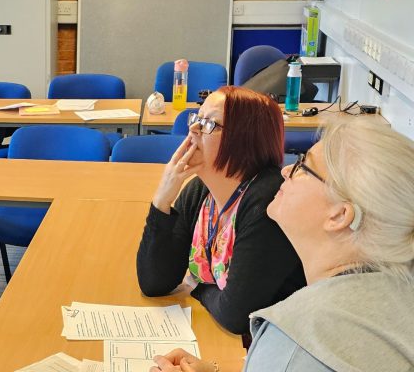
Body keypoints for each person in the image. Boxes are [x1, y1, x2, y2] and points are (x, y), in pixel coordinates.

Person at [151, 117, 414, 371]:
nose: (286, 170)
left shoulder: (299, 338)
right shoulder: (398, 289)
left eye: (303, 166)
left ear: (339, 215)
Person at [137, 86, 305, 335]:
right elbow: (155, 282)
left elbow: (237, 315)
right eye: (197, 119)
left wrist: (197, 286)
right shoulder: (199, 190)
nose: (192, 129)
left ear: (244, 139)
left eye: (208, 124)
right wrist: (163, 198)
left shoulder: (269, 201)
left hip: (278, 342)